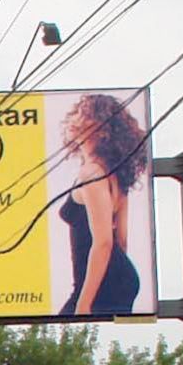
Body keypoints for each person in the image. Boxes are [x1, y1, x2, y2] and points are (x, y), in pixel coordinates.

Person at [57, 91, 148, 318]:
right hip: (119, 276)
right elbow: (122, 240)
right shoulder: (115, 172)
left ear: (98, 125)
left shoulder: (92, 174)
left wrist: (83, 303)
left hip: (98, 284)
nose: (73, 118)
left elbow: (104, 242)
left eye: (82, 112)